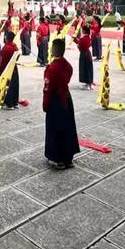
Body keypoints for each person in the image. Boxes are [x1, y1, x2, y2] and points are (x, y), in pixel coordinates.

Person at [43, 38, 79, 169]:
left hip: (55, 100)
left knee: (55, 129)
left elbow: (47, 89)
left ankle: (56, 159)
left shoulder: (51, 68)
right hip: (66, 98)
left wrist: (45, 104)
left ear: (53, 50)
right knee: (67, 128)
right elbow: (67, 75)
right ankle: (67, 158)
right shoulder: (67, 65)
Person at [0, 31, 19, 109]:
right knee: (15, 84)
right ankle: (15, 102)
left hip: (7, 69)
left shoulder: (5, 48)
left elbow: (2, 61)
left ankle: (9, 104)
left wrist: (0, 72)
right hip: (14, 68)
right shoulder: (15, 46)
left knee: (9, 86)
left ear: (7, 38)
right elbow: (17, 57)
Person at [74, 25, 93, 90]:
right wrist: (76, 41)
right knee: (88, 68)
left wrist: (75, 42)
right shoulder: (88, 37)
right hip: (88, 54)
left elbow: (80, 46)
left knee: (84, 68)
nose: (81, 31)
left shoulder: (83, 38)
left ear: (84, 31)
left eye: (82, 30)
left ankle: (87, 84)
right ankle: (89, 83)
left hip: (84, 55)